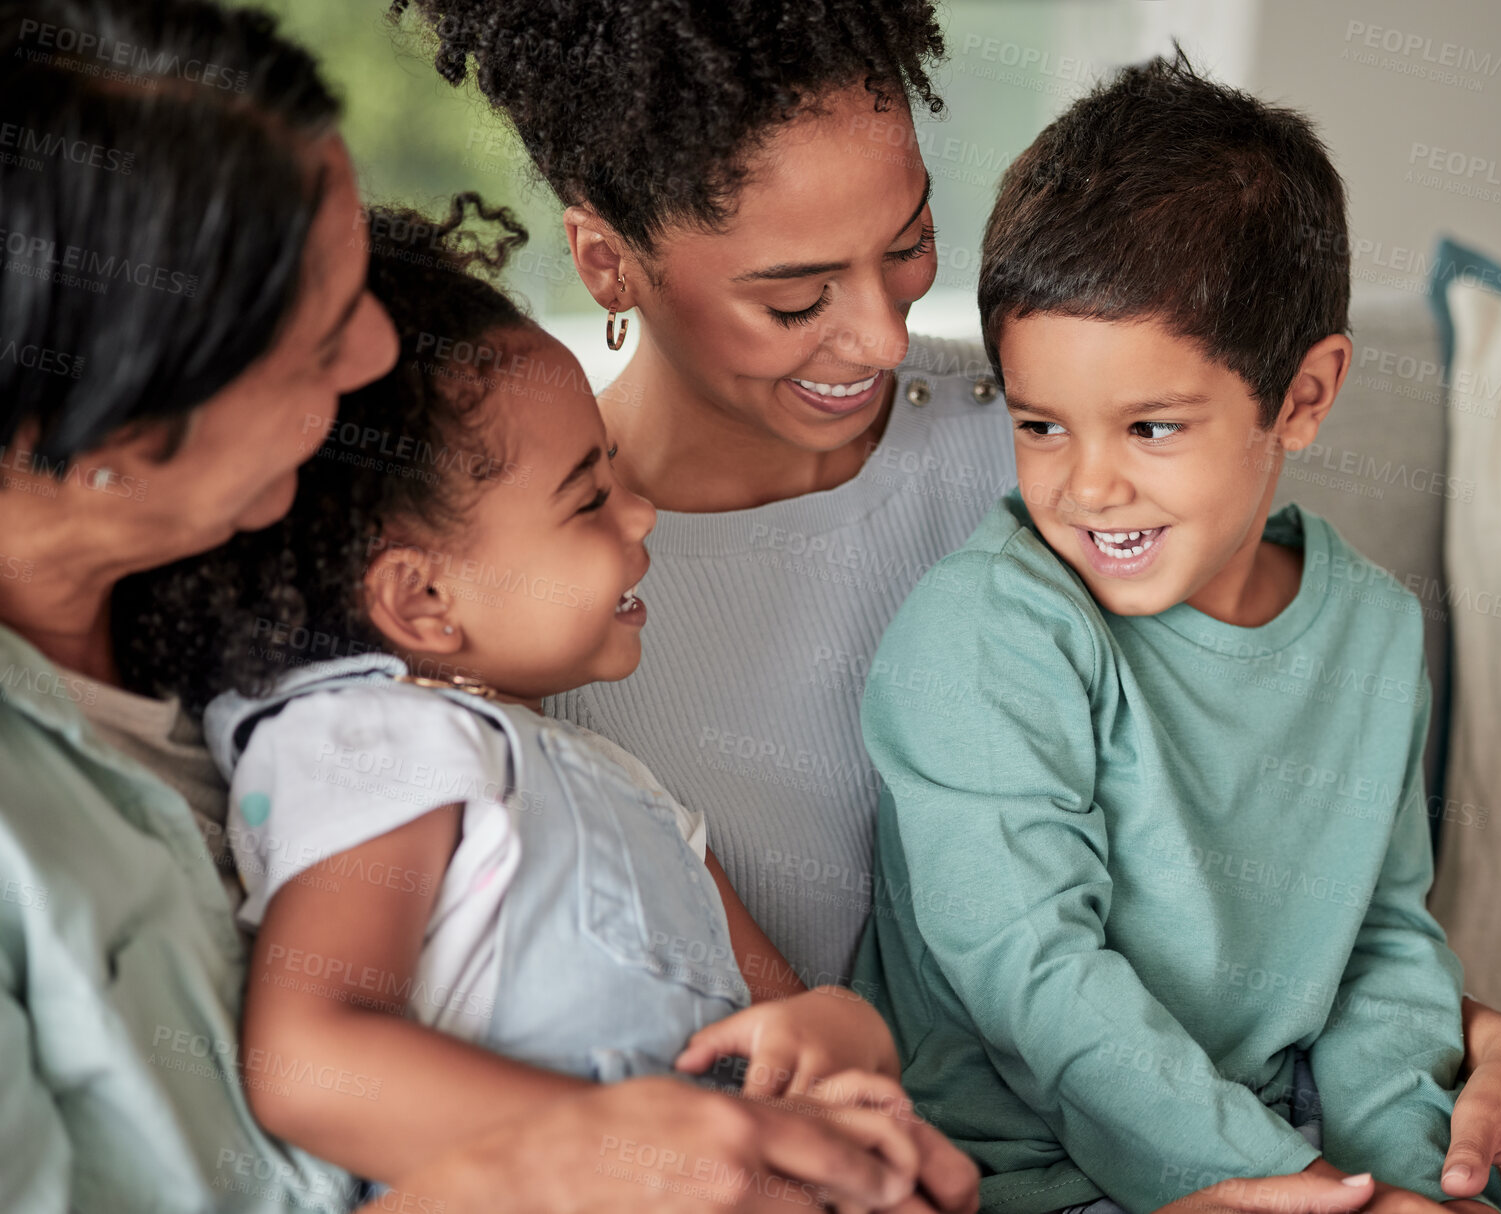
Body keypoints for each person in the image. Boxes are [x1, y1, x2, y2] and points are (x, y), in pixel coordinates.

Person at [397, 5, 1501, 1214]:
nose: (883, 336)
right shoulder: (521, 607)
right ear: (607, 258)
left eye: (908, 242)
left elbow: (1302, 895)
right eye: (794, 298)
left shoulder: (1067, 430)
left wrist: (1486, 1041)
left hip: (1305, 1119)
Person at [0, 2, 977, 1210]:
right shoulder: (326, 724)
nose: (371, 351)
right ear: (107, 422)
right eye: (306, 328)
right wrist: (584, 1156)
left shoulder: (291, 646)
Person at [851, 52, 1501, 1214]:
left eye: (1150, 427)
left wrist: (1409, 1184)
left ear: (1303, 398)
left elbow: (1382, 946)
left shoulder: (1369, 629)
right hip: (1029, 1176)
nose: (1086, 485)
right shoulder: (986, 632)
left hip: (1294, 1143)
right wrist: (1297, 1186)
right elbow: (1034, 982)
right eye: (1041, 425)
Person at [183, 198, 950, 1202]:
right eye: (586, 497)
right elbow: (309, 1060)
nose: (638, 514)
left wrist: (839, 1033)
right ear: (421, 597)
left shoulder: (618, 784)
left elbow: (787, 1021)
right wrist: (624, 1139)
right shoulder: (374, 739)